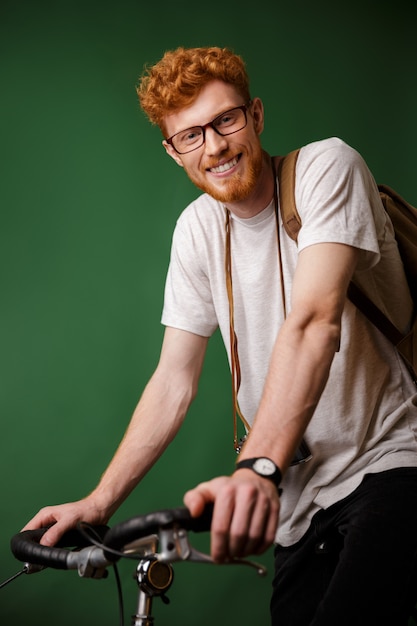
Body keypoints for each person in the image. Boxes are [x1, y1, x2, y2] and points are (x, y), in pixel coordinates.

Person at [23, 46, 417, 625]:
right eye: (190, 136)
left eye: (225, 120)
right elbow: (173, 381)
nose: (214, 147)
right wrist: (98, 502)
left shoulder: (326, 168)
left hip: (389, 463)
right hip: (297, 502)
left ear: (255, 116)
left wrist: (256, 470)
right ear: (171, 149)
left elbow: (313, 323)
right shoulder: (197, 231)